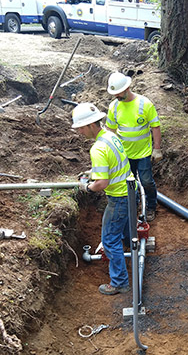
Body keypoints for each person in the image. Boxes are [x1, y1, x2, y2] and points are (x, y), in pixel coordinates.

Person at [72, 102, 135, 295]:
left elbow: (102, 184)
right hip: (129, 190)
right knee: (124, 230)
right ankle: (129, 251)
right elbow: (113, 164)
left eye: (81, 127)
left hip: (119, 197)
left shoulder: (97, 148)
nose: (80, 132)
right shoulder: (110, 136)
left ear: (91, 125)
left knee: (109, 239)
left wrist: (88, 188)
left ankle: (119, 282)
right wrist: (94, 171)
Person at [106, 71, 162, 222]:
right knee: (128, 184)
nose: (117, 96)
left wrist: (157, 149)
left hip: (143, 153)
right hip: (124, 154)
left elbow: (155, 127)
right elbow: (110, 131)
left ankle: (151, 206)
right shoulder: (114, 107)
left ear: (127, 87)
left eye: (119, 93)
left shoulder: (145, 104)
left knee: (146, 182)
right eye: (114, 94)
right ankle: (134, 206)